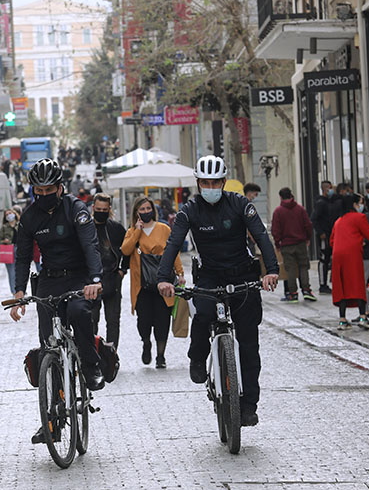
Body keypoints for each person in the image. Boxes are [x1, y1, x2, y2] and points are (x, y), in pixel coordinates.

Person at [157, 156, 279, 427]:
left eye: (215, 182)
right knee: (203, 315)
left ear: (223, 183)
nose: (210, 186)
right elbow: (173, 243)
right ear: (198, 184)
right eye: (205, 183)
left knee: (249, 345)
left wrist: (271, 270)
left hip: (243, 276)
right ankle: (197, 358)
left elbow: (260, 236)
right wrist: (163, 278)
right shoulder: (189, 210)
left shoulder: (240, 204)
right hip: (209, 276)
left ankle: (248, 406)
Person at [10, 158, 105, 444]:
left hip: (79, 278)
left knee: (78, 313)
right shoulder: (29, 218)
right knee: (47, 346)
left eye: (48, 189)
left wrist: (95, 281)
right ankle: (50, 419)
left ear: (60, 187)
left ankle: (90, 365)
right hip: (49, 280)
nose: (42, 195)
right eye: (37, 191)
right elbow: (22, 256)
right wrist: (18, 293)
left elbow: (90, 245)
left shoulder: (76, 210)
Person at [121, 197, 184, 368]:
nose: (146, 212)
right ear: (136, 212)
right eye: (142, 209)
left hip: (164, 282)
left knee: (163, 320)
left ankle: (160, 355)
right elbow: (125, 250)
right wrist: (137, 231)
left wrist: (180, 273)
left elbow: (173, 251)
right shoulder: (132, 231)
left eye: (148, 208)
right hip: (142, 284)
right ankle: (146, 342)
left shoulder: (163, 229)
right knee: (144, 320)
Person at [331, 194, 369, 329]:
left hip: (338, 256)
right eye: (360, 203)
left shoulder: (338, 221)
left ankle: (342, 320)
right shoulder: (359, 217)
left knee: (342, 286)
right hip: (352, 254)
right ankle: (363, 317)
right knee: (358, 284)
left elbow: (332, 240)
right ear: (354, 204)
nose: (361, 205)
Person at [91, 194, 130, 349]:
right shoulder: (85, 228)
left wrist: (122, 270)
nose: (101, 212)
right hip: (91, 280)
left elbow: (128, 249)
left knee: (113, 320)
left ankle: (111, 355)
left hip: (112, 278)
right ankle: (92, 354)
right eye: (98, 209)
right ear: (93, 208)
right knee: (91, 319)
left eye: (104, 209)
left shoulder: (116, 228)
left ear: (109, 209)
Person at [271, 187, 315, 302]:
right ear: (291, 195)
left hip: (286, 244)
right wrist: (307, 237)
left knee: (290, 269)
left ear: (280, 197)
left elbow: (275, 230)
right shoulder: (300, 209)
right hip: (300, 243)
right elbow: (308, 225)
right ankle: (306, 290)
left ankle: (293, 293)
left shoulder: (278, 211)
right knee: (303, 267)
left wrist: (277, 243)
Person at [309, 180, 338, 294]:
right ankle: (323, 284)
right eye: (329, 188)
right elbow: (314, 219)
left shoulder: (331, 202)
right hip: (325, 236)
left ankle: (330, 282)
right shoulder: (321, 203)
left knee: (331, 259)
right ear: (325, 189)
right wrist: (321, 232)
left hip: (332, 234)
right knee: (324, 259)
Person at [0, 208, 21, 294]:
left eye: (10, 213)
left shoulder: (20, 225)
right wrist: (4, 241)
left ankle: (20, 290)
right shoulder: (4, 227)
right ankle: (14, 291)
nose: (9, 215)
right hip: (9, 250)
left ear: (14, 214)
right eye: (7, 214)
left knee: (20, 271)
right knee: (11, 272)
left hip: (19, 249)